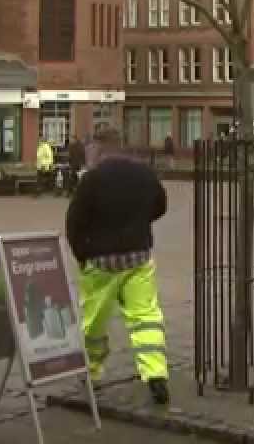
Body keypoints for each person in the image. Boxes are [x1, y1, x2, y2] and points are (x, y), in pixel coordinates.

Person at [65, 128, 171, 405]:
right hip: (138, 257)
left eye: (90, 148)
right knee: (145, 316)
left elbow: (74, 222)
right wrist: (138, 224)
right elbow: (160, 206)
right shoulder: (144, 173)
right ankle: (155, 373)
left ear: (99, 149)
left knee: (94, 321)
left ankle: (91, 371)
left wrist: (83, 255)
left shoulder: (92, 180)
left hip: (101, 261)